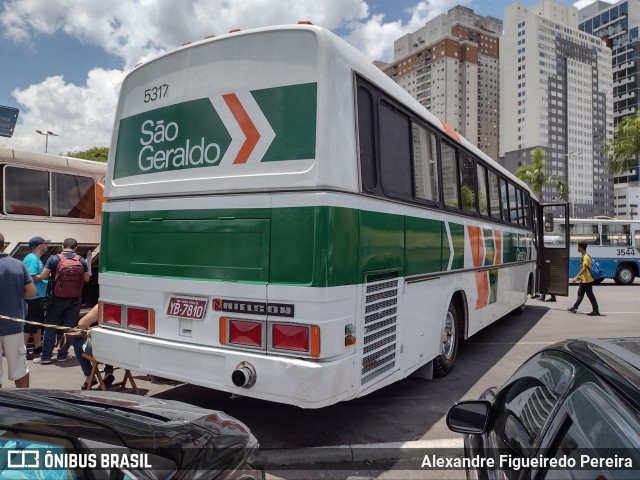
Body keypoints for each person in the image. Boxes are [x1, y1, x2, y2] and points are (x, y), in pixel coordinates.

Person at [34, 238, 90, 364]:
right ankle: (62, 355)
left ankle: (46, 357)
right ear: (76, 247)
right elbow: (86, 279)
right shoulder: (80, 260)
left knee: (50, 326)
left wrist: (32, 278)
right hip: (75, 299)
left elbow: (43, 276)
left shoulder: (54, 259)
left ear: (62, 246)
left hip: (57, 297)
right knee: (68, 328)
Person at [0, 232, 35, 388]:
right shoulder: (18, 264)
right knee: (20, 368)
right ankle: (25, 403)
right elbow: (32, 292)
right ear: (4, 245)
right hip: (14, 326)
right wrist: (14, 294)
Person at [66, 304, 114, 390]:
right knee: (110, 339)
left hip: (107, 350)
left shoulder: (105, 304)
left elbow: (82, 323)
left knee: (77, 343)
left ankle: (89, 377)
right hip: (125, 351)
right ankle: (109, 372)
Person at [23, 236, 50, 360]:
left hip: (38, 296)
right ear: (40, 246)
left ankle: (38, 346)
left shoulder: (35, 258)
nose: (47, 246)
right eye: (45, 244)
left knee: (37, 323)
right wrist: (45, 276)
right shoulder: (32, 259)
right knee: (30, 323)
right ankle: (22, 349)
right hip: (34, 296)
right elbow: (30, 277)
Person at [567, 241, 600, 316]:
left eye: (578, 247)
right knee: (580, 294)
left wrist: (576, 277)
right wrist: (579, 277)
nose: (577, 248)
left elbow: (584, 268)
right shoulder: (584, 256)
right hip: (584, 279)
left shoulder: (586, 257)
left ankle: (596, 310)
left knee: (590, 295)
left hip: (587, 280)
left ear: (581, 248)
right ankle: (575, 308)